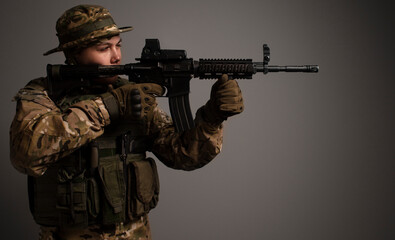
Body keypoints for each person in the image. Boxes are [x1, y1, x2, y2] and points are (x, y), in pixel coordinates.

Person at [10, 4, 243, 240]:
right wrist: (107, 107)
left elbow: (181, 153)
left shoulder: (131, 93)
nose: (116, 56)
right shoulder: (44, 94)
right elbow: (26, 155)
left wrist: (212, 118)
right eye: (104, 48)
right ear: (74, 53)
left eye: (118, 45)